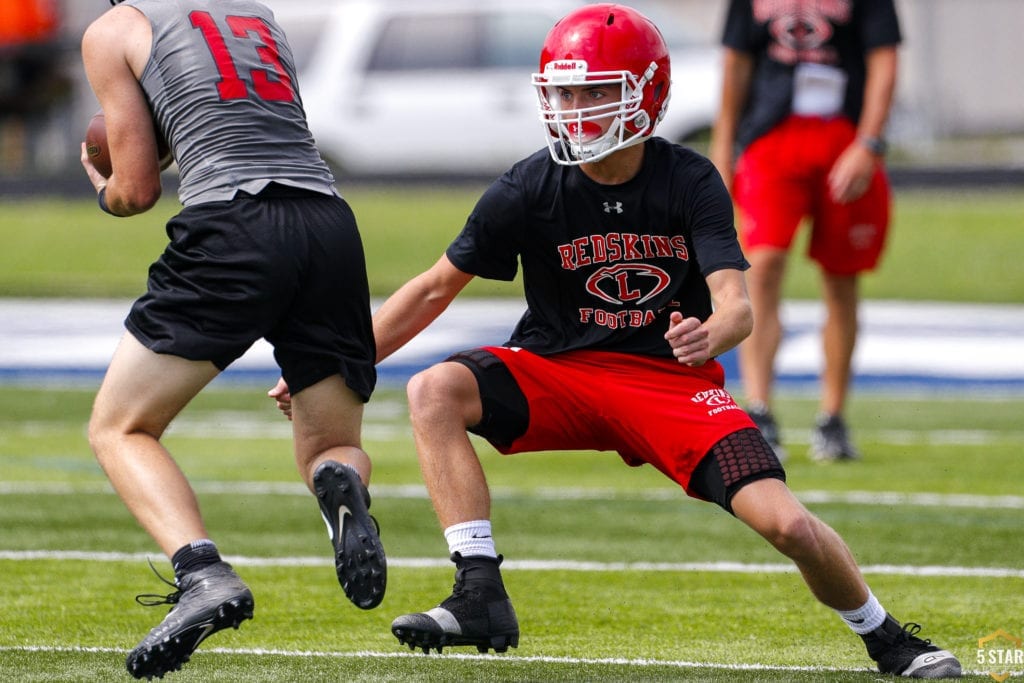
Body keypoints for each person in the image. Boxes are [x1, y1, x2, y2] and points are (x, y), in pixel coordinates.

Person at [270, 4, 958, 678]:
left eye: (595, 91)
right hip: (560, 371)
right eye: (563, 91)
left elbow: (737, 307)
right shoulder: (530, 184)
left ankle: (887, 638)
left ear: (646, 95)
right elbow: (431, 289)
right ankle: (477, 587)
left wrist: (708, 333)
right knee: (435, 387)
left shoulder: (687, 178)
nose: (574, 108)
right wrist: (332, 362)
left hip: (669, 382)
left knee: (790, 526)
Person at [80, 0, 385, 678]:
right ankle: (341, 482)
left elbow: (136, 189)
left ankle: (201, 573)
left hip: (234, 221)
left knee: (120, 427)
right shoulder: (260, 15)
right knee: (332, 444)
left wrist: (100, 181)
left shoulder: (113, 29)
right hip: (328, 223)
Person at [709, 0, 902, 462]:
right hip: (772, 136)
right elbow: (736, 62)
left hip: (843, 133)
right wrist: (723, 147)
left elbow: (884, 58)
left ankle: (832, 417)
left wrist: (869, 142)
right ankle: (760, 410)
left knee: (841, 277)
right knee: (763, 264)